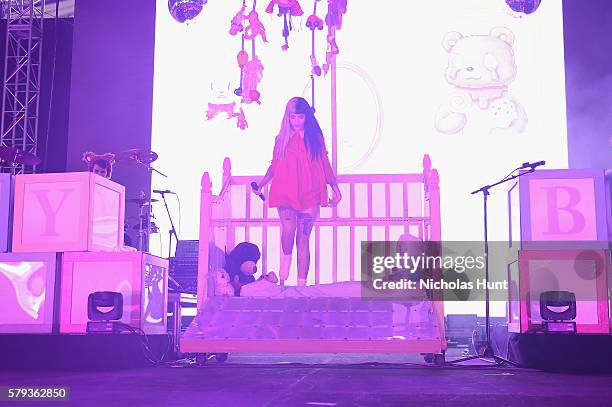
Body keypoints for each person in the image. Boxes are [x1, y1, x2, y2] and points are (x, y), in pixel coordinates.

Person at [253, 97, 342, 286]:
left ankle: (302, 284)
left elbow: (325, 163)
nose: (296, 121)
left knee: (303, 238)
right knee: (288, 229)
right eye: (293, 117)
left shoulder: (316, 139)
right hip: (286, 189)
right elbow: (274, 165)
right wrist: (261, 184)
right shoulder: (282, 139)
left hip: (310, 191)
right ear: (288, 118)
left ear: (307, 117)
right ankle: (285, 266)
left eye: (300, 117)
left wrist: (335, 188)